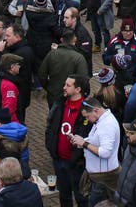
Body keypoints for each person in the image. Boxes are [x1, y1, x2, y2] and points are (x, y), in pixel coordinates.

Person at [46, 74, 90, 207]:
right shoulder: (59, 103)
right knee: (64, 196)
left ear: (78, 90)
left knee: (81, 197)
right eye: (65, 84)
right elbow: (50, 125)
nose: (63, 87)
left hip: (76, 164)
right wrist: (50, 146)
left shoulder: (87, 110)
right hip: (59, 160)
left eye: (68, 85)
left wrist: (79, 158)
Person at [70, 99, 121, 205]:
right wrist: (81, 141)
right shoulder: (100, 120)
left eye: (87, 116)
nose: (87, 120)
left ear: (95, 110)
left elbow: (105, 152)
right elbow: (97, 140)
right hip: (98, 177)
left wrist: (84, 143)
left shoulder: (107, 125)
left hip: (103, 179)